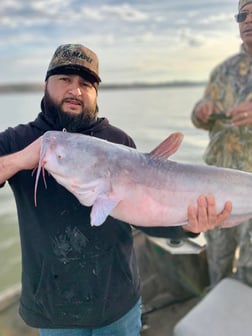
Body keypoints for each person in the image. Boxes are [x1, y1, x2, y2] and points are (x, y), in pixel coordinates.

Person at [0, 43, 232, 336]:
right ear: (47, 84)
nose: (76, 90)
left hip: (118, 303)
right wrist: (24, 158)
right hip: (55, 309)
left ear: (96, 93)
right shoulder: (18, 140)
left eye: (86, 83)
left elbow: (142, 212)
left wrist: (188, 227)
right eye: (64, 80)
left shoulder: (118, 141)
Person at [191, 0, 252, 289]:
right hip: (215, 183)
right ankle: (216, 314)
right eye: (242, 14)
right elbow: (200, 117)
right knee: (217, 256)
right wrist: (201, 110)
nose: (248, 19)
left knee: (251, 267)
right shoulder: (223, 71)